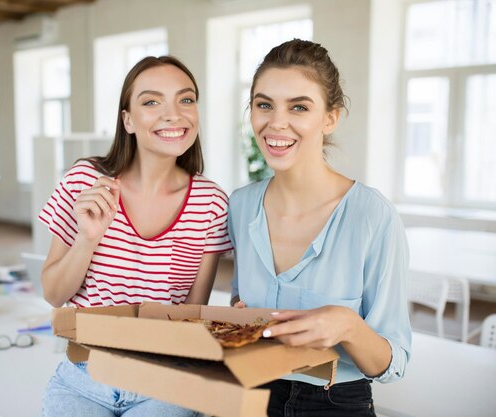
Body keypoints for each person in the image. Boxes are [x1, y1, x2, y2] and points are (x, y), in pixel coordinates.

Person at [39, 55, 232, 417]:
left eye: (186, 99)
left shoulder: (211, 202)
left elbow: (192, 315)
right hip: (83, 378)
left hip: (164, 384)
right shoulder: (85, 181)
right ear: (127, 119)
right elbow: (53, 294)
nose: (173, 114)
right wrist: (87, 238)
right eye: (151, 101)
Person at [228, 39, 411, 417]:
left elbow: (391, 365)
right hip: (249, 388)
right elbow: (238, 302)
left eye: (299, 107)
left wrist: (348, 327)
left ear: (331, 118)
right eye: (264, 105)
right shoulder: (240, 205)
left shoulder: (371, 215)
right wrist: (238, 318)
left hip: (334, 401)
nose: (276, 122)